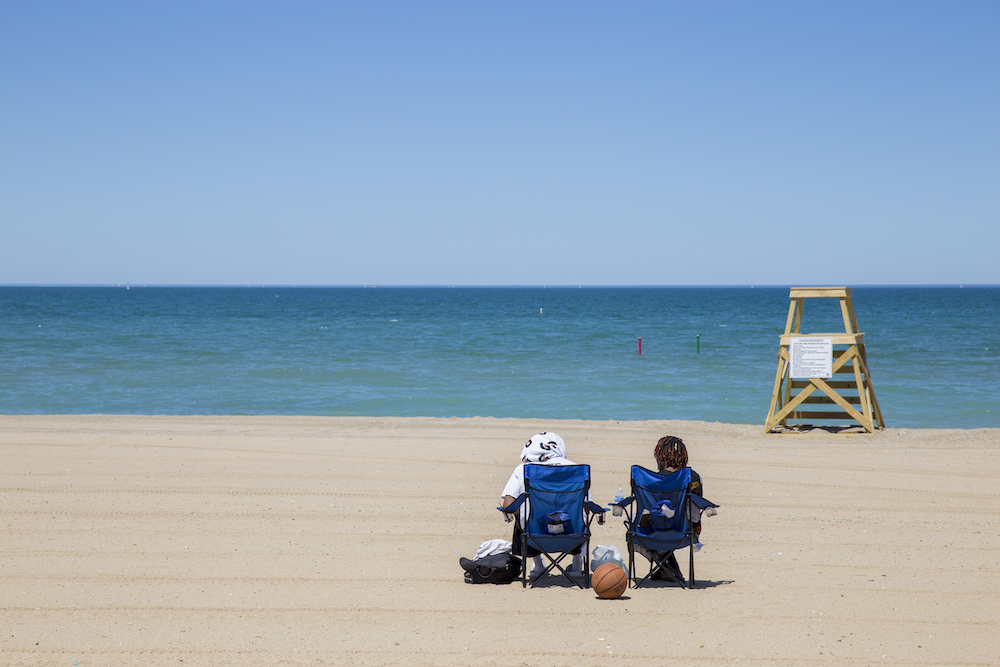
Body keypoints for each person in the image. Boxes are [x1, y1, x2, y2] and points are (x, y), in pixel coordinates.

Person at [501, 432, 585, 579]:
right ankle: (577, 566)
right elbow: (586, 506)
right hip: (572, 536)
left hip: (536, 537)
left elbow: (508, 505)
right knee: (582, 515)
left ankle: (539, 566)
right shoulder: (576, 469)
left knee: (522, 512)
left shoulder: (524, 469)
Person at [638, 435, 704, 581]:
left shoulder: (654, 480)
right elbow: (695, 512)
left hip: (657, 532)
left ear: (661, 456)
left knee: (645, 524)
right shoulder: (693, 477)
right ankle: (668, 570)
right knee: (667, 523)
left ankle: (669, 569)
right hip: (687, 531)